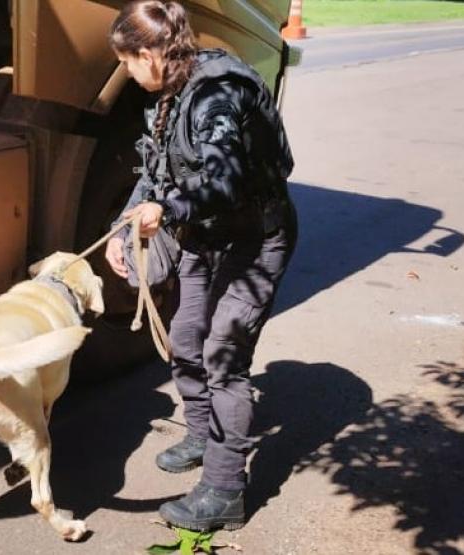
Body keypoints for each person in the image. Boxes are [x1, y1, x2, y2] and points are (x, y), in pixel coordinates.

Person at [105, 0, 298, 532]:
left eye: (126, 61)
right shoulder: (165, 92)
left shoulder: (219, 91)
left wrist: (164, 210)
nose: (125, 71)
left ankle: (224, 490)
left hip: (256, 239)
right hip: (206, 234)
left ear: (149, 54)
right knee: (187, 338)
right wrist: (128, 220)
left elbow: (223, 178)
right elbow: (156, 167)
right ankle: (200, 432)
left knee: (222, 357)